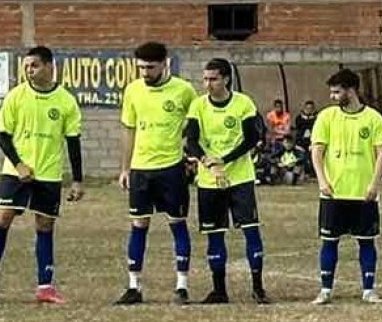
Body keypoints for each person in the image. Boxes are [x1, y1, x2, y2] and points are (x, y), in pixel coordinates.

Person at [0, 46, 84, 306]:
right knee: (3, 219)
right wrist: (19, 165)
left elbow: (73, 142)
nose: (29, 70)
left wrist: (78, 180)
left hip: (49, 174)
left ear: (49, 66)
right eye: (26, 66)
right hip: (16, 172)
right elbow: (2, 135)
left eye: (34, 65)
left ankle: (45, 287)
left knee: (45, 225)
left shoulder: (66, 101)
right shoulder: (16, 97)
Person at [114, 42, 199, 306]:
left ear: (165, 64)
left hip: (171, 169)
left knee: (177, 223)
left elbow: (196, 125)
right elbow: (129, 129)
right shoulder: (133, 91)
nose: (145, 72)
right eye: (141, 68)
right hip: (141, 170)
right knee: (139, 225)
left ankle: (181, 287)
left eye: (150, 67)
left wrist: (192, 155)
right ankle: (133, 287)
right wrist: (125, 168)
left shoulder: (184, 91)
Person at [185, 59, 269, 305]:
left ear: (226, 79)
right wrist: (206, 161)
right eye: (205, 79)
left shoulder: (243, 103)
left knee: (250, 230)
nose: (208, 84)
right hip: (209, 182)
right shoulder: (198, 106)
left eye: (213, 79)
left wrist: (224, 159)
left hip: (240, 179)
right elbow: (191, 140)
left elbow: (251, 139)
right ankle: (219, 290)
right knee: (214, 234)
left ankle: (258, 287)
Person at [309, 69, 382, 305]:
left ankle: (369, 289)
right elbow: (317, 151)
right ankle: (325, 290)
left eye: (336, 92)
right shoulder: (326, 117)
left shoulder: (373, 118)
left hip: (363, 193)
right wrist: (322, 180)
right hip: (334, 193)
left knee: (366, 241)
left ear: (351, 90)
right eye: (331, 92)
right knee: (329, 241)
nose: (332, 97)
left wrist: (374, 184)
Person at [294, 100, 319, 176]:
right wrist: (306, 118)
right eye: (307, 108)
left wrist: (310, 117)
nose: (309, 110)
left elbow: (313, 127)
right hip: (301, 143)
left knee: (314, 155)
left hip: (312, 142)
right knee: (302, 156)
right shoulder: (299, 118)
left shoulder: (317, 119)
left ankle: (313, 173)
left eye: (311, 108)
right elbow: (300, 127)